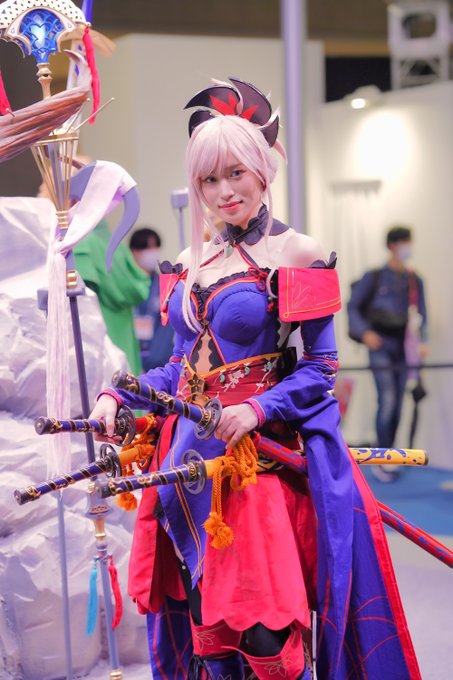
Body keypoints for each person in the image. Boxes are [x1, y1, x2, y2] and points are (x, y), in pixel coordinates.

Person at [90, 78, 421, 679]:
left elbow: (321, 367)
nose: (224, 191)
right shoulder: (189, 264)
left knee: (266, 633)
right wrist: (118, 395)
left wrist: (258, 409)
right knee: (208, 635)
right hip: (188, 466)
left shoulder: (297, 252)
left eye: (235, 173)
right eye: (208, 180)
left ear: (263, 169)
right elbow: (180, 368)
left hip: (256, 465)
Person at [347, 226, 428, 482]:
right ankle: (381, 458)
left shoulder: (414, 279)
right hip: (380, 345)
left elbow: (422, 314)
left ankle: (390, 454)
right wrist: (365, 333)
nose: (407, 247)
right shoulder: (374, 276)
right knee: (388, 400)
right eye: (404, 242)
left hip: (403, 347)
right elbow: (353, 306)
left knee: (399, 405)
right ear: (393, 245)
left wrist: (423, 342)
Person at [129, 227, 175, 370]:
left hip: (158, 362)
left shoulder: (165, 285)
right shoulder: (125, 286)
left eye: (155, 247)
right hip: (130, 359)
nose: (152, 252)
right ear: (134, 251)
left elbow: (166, 332)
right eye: (147, 248)